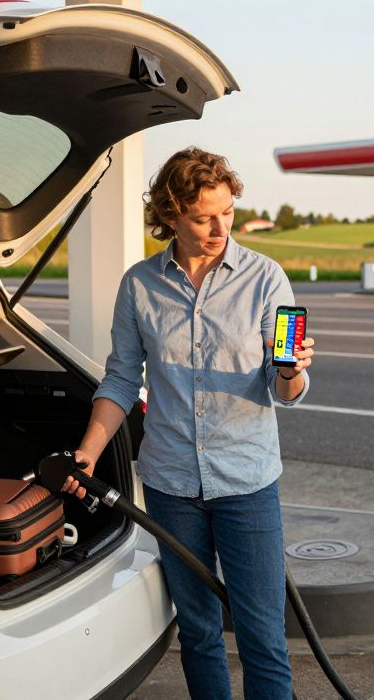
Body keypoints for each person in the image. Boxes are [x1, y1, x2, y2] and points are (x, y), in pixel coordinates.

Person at [64, 147, 313, 700]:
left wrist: (291, 370)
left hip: (246, 482)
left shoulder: (267, 279)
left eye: (227, 211)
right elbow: (121, 380)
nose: (219, 226)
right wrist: (87, 451)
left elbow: (287, 390)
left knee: (263, 637)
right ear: (171, 216)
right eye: (203, 217)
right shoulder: (140, 286)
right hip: (171, 484)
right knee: (198, 633)